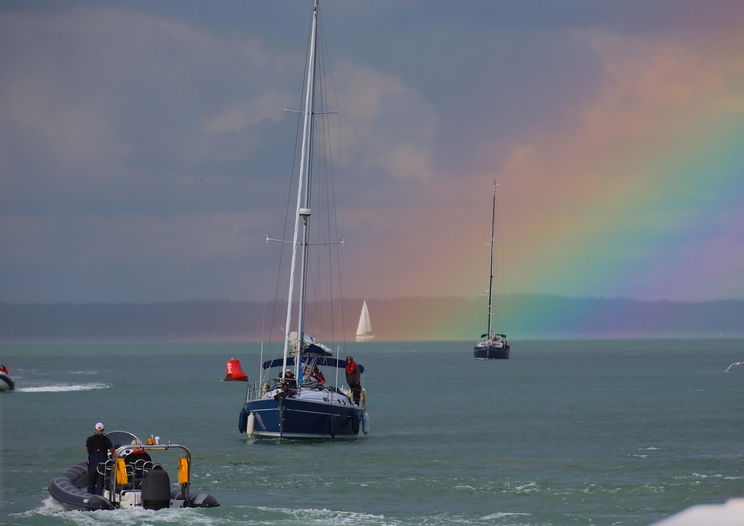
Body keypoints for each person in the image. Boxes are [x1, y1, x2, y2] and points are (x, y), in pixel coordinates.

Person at [85, 422, 115, 495]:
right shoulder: (106, 440)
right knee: (100, 483)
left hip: (92, 464)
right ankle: (98, 498)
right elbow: (112, 451)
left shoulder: (90, 439)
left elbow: (87, 450)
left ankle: (89, 498)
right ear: (103, 429)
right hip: (102, 465)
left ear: (95, 429)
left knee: (91, 483)